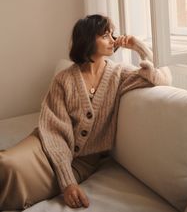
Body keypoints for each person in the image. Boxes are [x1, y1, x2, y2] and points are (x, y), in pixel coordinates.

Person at [0, 14, 172, 210]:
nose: (113, 39)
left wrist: (138, 46)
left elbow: (161, 78)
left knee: (20, 188)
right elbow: (54, 130)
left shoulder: (119, 74)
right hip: (47, 145)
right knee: (6, 164)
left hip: (83, 162)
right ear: (88, 39)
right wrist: (68, 182)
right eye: (104, 35)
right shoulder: (63, 79)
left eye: (112, 34)